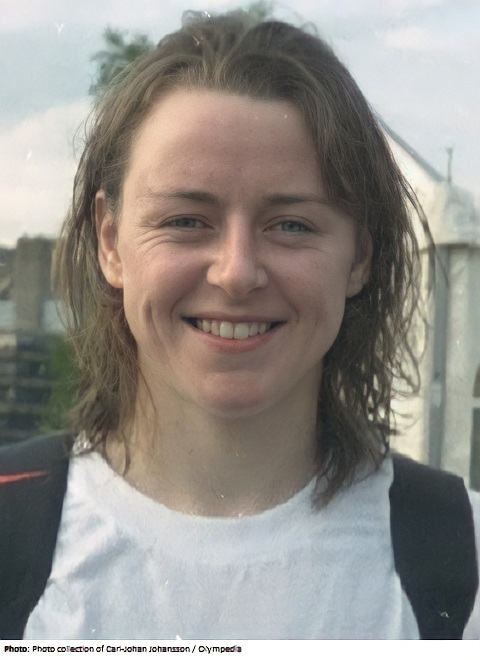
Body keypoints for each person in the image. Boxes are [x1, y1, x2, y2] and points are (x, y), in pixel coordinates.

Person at [1, 7, 479, 640]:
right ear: (111, 243)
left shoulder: (461, 559)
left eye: (292, 225)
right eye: (185, 220)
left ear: (360, 257)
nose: (236, 272)